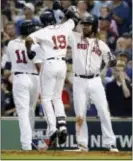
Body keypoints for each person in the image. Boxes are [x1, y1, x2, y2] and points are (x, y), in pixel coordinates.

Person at [25, 9, 79, 148]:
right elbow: (75, 18)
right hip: (62, 63)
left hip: (49, 63)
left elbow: (28, 39)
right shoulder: (64, 26)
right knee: (57, 98)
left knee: (46, 98)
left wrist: (29, 51)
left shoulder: (43, 31)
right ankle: (62, 126)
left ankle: (53, 129)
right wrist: (65, 11)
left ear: (43, 22)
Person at [68, 15, 118, 152]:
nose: (85, 26)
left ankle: (110, 144)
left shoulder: (101, 45)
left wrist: (112, 61)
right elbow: (66, 28)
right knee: (80, 114)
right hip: (79, 80)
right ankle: (82, 145)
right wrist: (72, 17)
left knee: (103, 111)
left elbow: (112, 61)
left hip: (95, 80)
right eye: (84, 24)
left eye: (88, 24)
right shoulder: (75, 38)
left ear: (94, 26)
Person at [5, 21, 40, 150]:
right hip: (35, 78)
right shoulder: (36, 44)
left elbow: (9, 62)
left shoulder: (11, 43)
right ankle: (29, 142)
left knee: (23, 112)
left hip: (20, 77)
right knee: (31, 111)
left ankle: (26, 145)